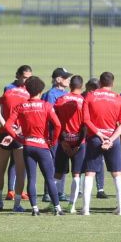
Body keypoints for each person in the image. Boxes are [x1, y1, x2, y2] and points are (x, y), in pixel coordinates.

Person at [3, 76, 64, 216]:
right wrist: (53, 141)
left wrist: (18, 137)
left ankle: (35, 208)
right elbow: (58, 125)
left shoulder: (21, 106)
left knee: (31, 178)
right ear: (41, 90)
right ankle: (57, 208)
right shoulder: (46, 106)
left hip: (28, 146)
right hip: (42, 145)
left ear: (27, 90)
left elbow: (7, 125)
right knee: (49, 178)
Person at [81, 72, 121, 216]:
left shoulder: (90, 96)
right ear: (112, 84)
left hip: (95, 138)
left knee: (90, 172)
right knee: (117, 173)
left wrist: (100, 134)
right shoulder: (119, 99)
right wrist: (111, 138)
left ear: (100, 83)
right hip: (113, 139)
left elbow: (86, 120)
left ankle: (86, 209)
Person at [0, 66, 32, 211]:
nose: (27, 80)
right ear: (18, 76)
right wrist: (16, 131)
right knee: (21, 171)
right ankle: (16, 205)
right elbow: (27, 117)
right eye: (25, 77)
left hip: (4, 134)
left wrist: (7, 129)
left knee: (0, 169)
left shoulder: (6, 93)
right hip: (19, 136)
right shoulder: (28, 95)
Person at [54, 75, 87, 214]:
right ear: (81, 86)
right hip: (79, 142)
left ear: (70, 85)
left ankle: (54, 203)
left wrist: (62, 141)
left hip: (63, 142)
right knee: (76, 174)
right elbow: (85, 125)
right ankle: (72, 205)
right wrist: (78, 144)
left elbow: (55, 123)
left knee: (57, 174)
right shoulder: (84, 101)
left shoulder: (60, 100)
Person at [41, 68, 73, 203]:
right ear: (58, 79)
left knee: (62, 163)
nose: (68, 80)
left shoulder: (64, 93)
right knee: (53, 163)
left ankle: (59, 191)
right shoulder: (51, 94)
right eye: (66, 77)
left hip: (63, 133)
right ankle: (48, 192)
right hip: (54, 133)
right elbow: (49, 115)